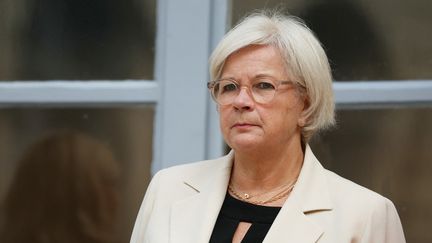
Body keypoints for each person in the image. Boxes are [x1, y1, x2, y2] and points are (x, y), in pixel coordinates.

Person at [130, 11, 406, 243]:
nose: (240, 101)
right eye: (228, 87)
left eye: (263, 85)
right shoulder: (168, 189)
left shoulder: (365, 215)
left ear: (306, 105)